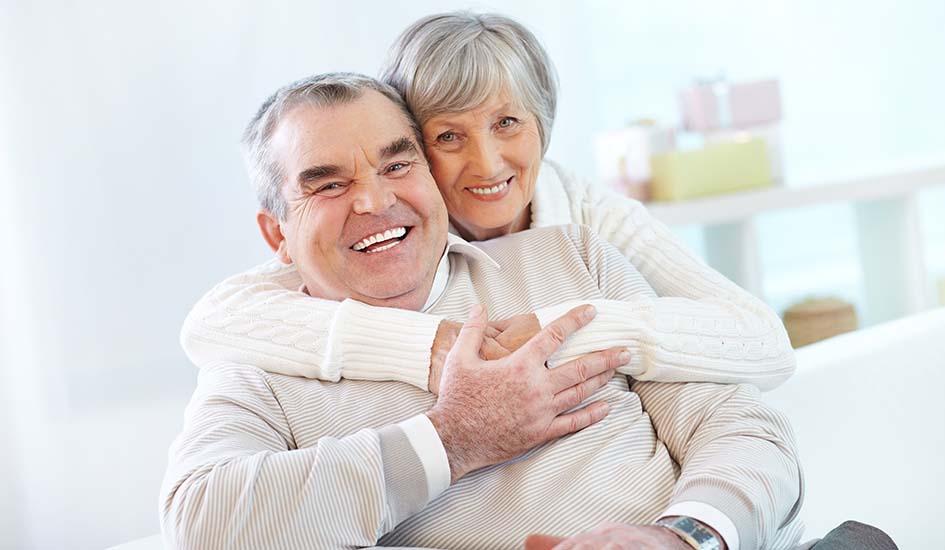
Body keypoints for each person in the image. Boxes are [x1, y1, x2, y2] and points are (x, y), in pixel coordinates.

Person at [161, 73, 806, 550]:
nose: (374, 201)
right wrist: (453, 438)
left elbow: (743, 431)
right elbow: (200, 522)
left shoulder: (572, 255)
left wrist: (686, 535)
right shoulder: (256, 368)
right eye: (328, 184)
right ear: (276, 236)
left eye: (397, 162)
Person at [179, 12, 795, 395]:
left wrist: (573, 329)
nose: (489, 163)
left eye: (507, 122)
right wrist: (432, 346)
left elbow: (764, 339)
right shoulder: (382, 232)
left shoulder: (590, 217)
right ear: (411, 147)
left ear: (542, 126)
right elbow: (211, 323)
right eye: (449, 136)